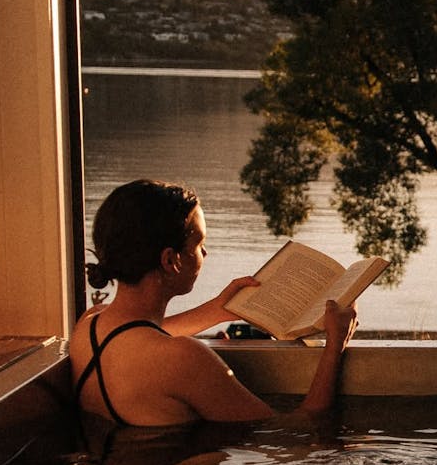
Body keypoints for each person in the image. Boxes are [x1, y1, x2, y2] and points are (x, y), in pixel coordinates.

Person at [69, 179, 358, 427]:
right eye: (198, 245)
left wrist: (218, 309)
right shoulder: (183, 357)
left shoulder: (90, 324)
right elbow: (293, 429)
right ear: (171, 260)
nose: (204, 254)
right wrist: (335, 345)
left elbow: (145, 338)